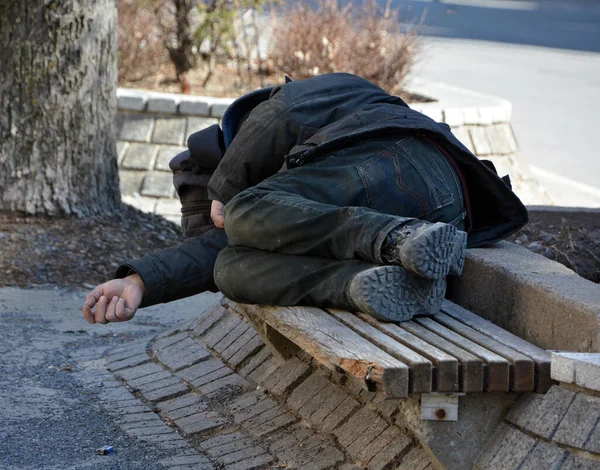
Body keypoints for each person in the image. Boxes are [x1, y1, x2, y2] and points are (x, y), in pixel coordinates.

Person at [82, 73, 527, 325]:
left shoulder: (313, 104)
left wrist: (224, 187)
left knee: (243, 216)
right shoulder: (289, 202)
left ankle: (396, 238)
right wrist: (138, 283)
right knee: (230, 270)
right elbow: (220, 249)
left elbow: (285, 110)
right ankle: (363, 284)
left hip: (410, 163)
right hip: (438, 218)